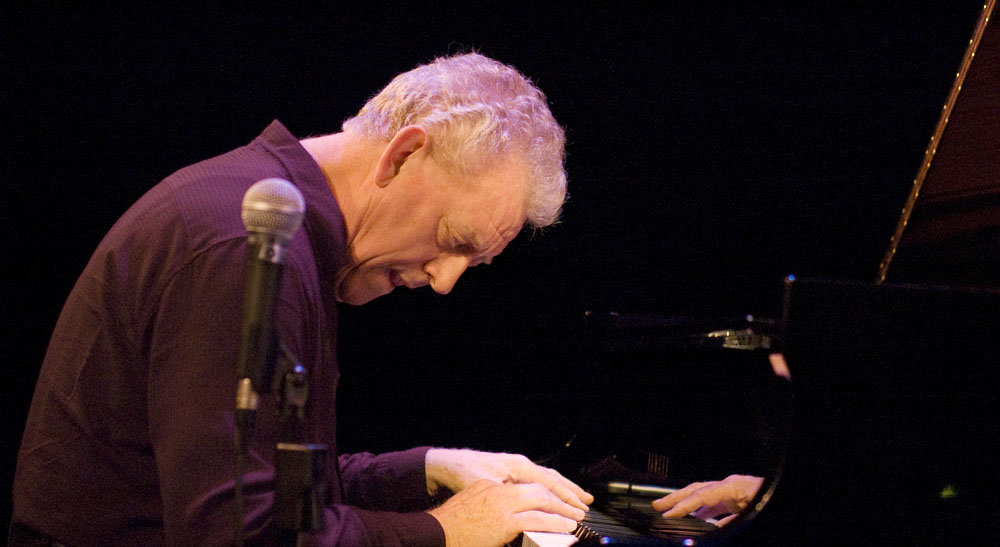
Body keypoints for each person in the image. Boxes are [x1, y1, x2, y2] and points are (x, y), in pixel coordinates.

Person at [9, 53, 593, 546]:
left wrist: (431, 469)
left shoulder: (278, 229)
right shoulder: (247, 246)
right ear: (402, 155)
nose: (444, 281)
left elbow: (274, 490)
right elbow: (239, 533)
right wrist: (442, 532)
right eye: (451, 242)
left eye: (474, 263)